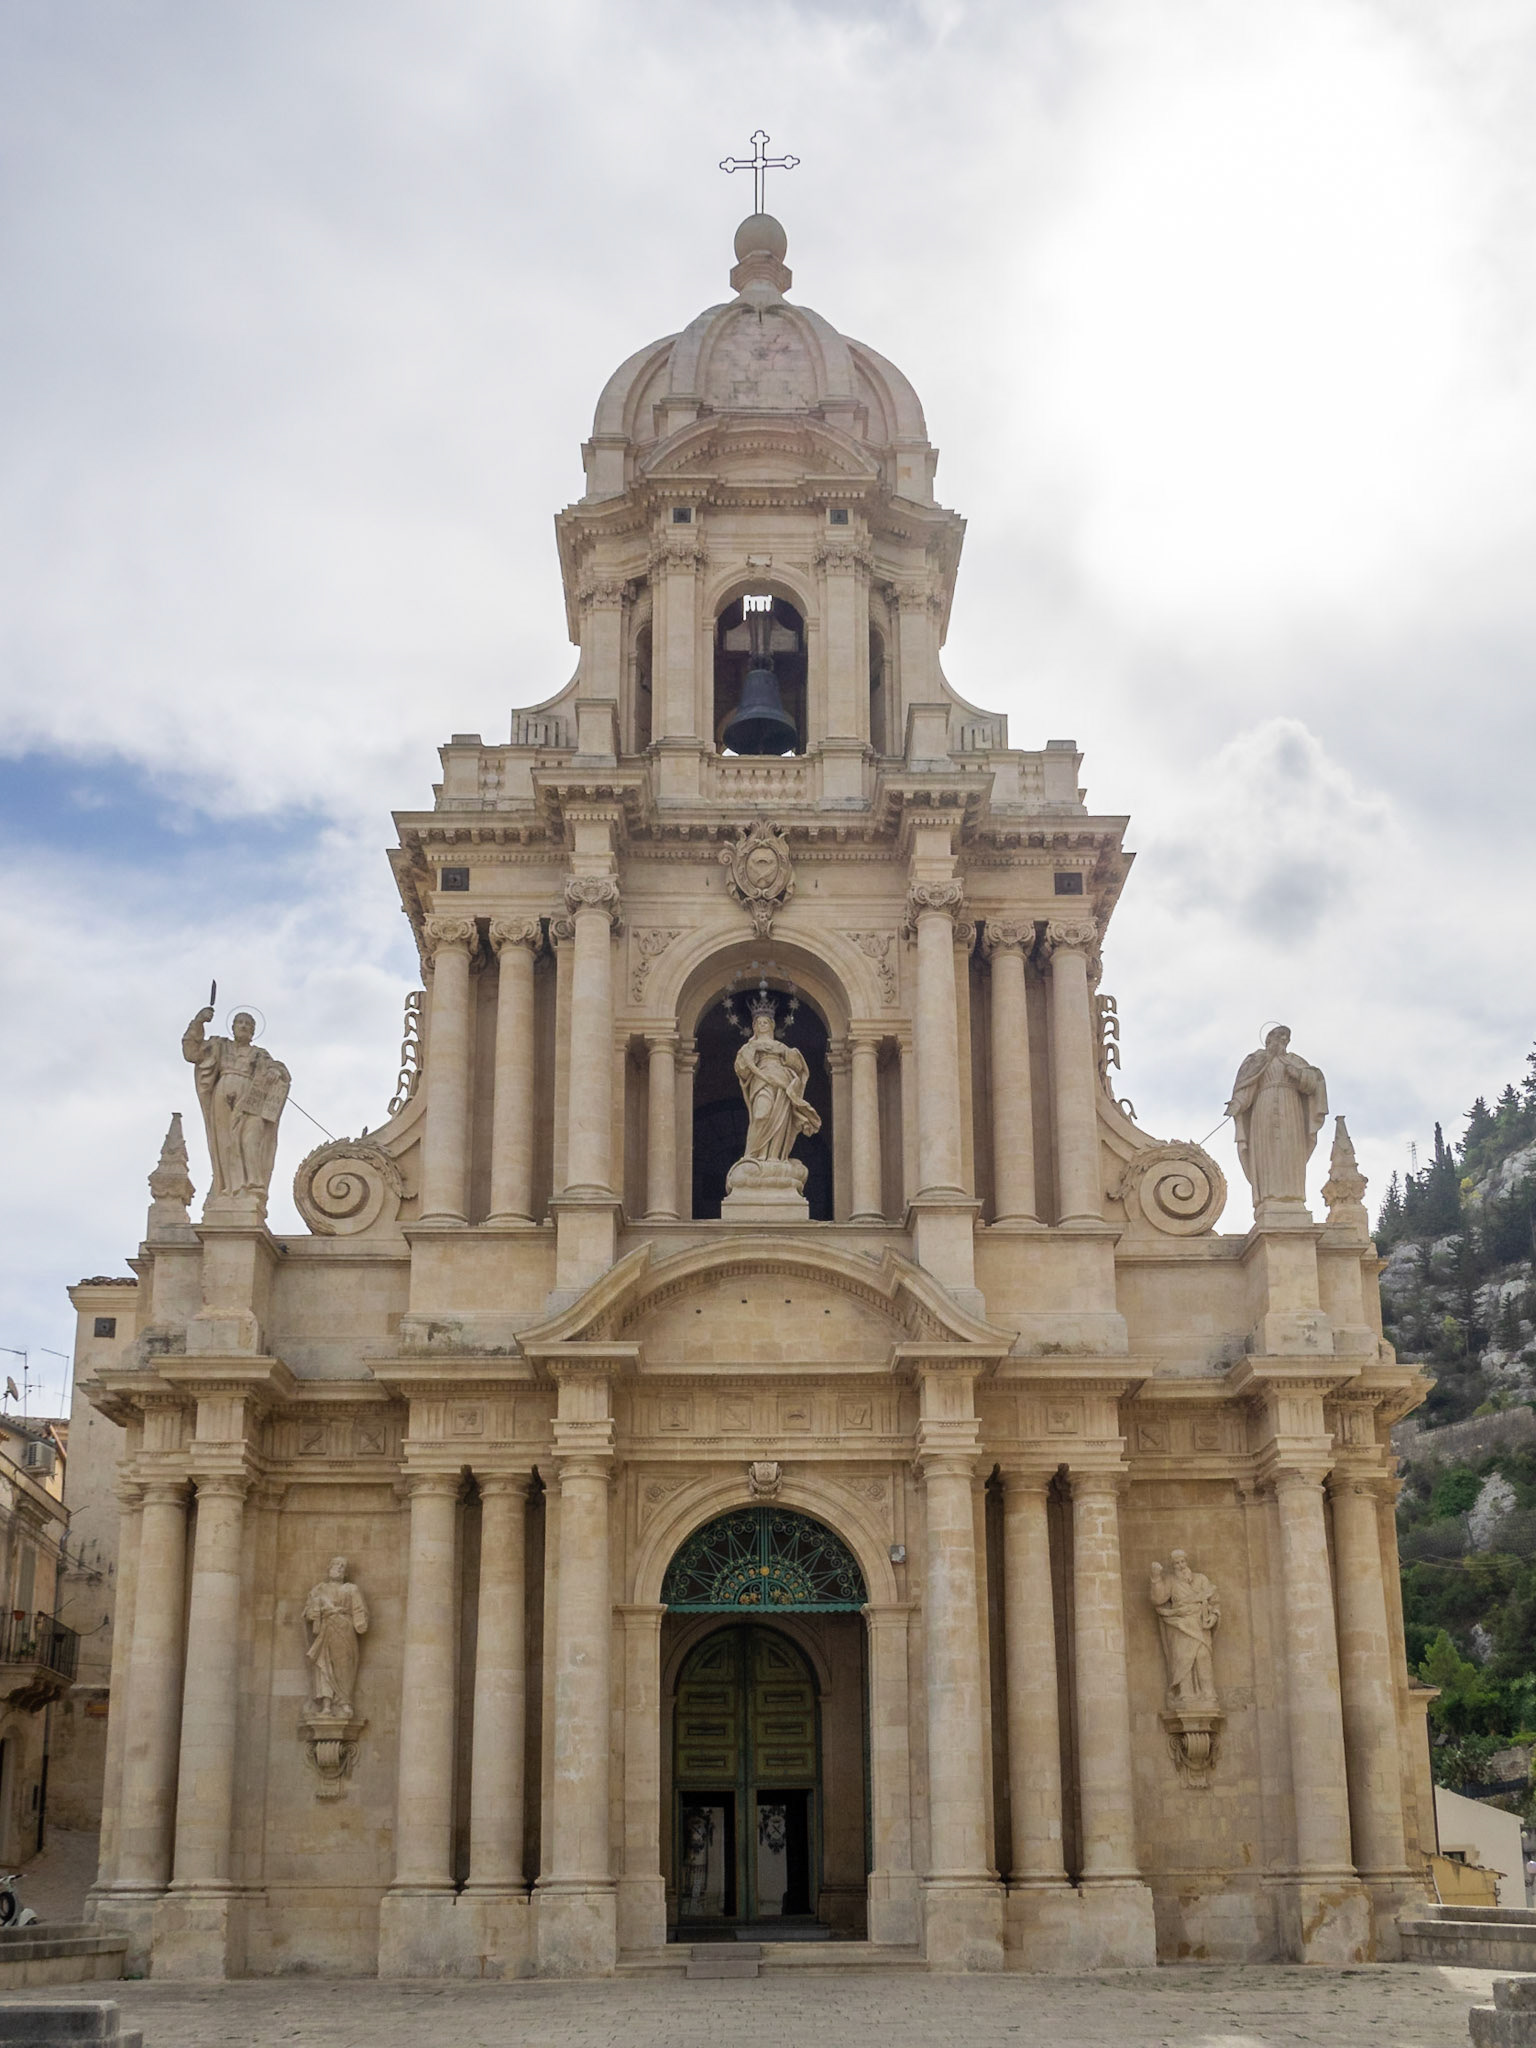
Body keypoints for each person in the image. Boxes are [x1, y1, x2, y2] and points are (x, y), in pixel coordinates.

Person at [182, 1004, 290, 1200]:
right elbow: (192, 1053)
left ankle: (253, 1185)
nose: (244, 1026)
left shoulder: (259, 1054)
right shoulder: (219, 1046)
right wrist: (199, 1022)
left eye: (248, 1024)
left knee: (250, 1139)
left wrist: (275, 1072)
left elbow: (279, 1069)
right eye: (240, 1022)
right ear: (232, 1027)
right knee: (226, 1143)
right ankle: (231, 1189)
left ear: (253, 1031)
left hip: (251, 1099)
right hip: (222, 1096)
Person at [1225, 1024, 1327, 1210]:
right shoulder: (1257, 1060)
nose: (1281, 1042)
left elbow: (1314, 1082)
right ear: (1268, 1040)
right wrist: (1237, 1104)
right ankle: (1267, 1196)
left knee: (1291, 1149)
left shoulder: (1295, 1061)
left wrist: (1299, 1075)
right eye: (1278, 1038)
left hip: (1291, 1109)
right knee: (1266, 1151)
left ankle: (1293, 1196)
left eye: (1285, 1039)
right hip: (1263, 1108)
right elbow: (1246, 1087)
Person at [733, 1002, 821, 1162]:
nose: (762, 1025)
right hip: (761, 1080)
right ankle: (753, 1154)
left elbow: (798, 1066)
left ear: (772, 1025)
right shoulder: (749, 1047)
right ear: (754, 1026)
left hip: (782, 1080)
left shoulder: (781, 1046)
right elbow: (742, 1070)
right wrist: (751, 1054)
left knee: (780, 1119)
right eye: (759, 1023)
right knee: (761, 1114)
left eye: (765, 1022)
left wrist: (784, 1052)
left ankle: (773, 1156)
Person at [1150, 1550, 1220, 1707]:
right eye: (1177, 1563)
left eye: (1183, 1562)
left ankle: (1208, 1694)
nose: (1181, 1566)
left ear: (1187, 1562)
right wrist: (1156, 1578)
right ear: (1173, 1565)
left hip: (1199, 1624)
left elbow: (1214, 1601)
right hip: (1179, 1624)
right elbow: (1158, 1598)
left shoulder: (1201, 1579)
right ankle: (1185, 1694)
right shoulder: (1170, 1581)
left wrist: (1214, 1616)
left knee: (1202, 1656)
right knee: (1183, 1658)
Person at [304, 1557, 369, 1716]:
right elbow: (308, 1611)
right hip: (326, 1629)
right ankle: (326, 1705)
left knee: (344, 1665)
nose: (339, 1568)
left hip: (344, 1629)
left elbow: (360, 1610)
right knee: (324, 1665)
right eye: (336, 1565)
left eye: (342, 1566)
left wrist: (360, 1623)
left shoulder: (351, 1589)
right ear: (329, 1568)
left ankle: (344, 1701)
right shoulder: (318, 1590)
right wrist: (313, 1613)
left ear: (345, 1572)